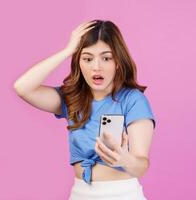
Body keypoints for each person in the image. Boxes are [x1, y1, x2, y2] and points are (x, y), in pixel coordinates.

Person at [14, 19, 156, 200]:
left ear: (118, 62)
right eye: (87, 59)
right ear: (79, 63)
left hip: (123, 194)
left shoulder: (133, 100)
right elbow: (23, 87)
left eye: (106, 58)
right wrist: (68, 51)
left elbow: (141, 166)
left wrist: (123, 159)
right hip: (80, 193)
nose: (96, 66)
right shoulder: (72, 99)